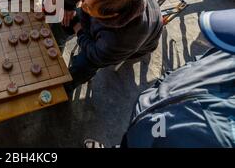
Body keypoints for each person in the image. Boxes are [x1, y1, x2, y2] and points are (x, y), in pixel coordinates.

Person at [84, 8, 235, 148]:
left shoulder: (222, 136)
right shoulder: (229, 50)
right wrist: (164, 82)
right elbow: (197, 64)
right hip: (144, 125)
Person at [58, 0, 163, 92]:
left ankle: (67, 86)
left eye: (88, 7)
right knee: (68, 19)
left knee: (84, 65)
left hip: (142, 44)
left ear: (112, 15)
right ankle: (60, 42)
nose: (82, 6)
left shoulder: (123, 39)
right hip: (111, 23)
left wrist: (79, 31)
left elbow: (96, 56)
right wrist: (68, 6)